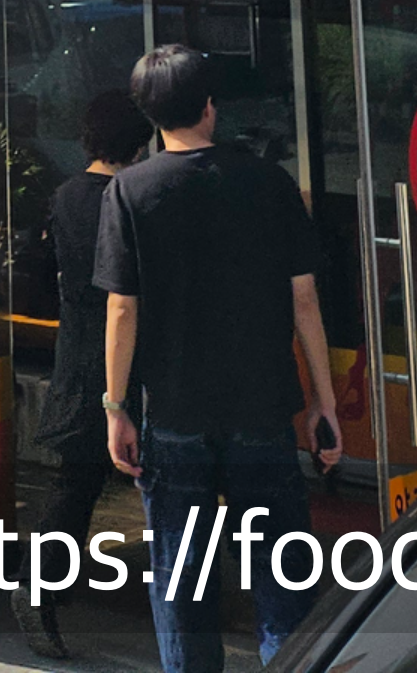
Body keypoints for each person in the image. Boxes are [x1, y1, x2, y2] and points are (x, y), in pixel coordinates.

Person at [96, 45, 340, 673]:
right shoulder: (267, 180)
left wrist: (115, 407)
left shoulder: (129, 191)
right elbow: (304, 301)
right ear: (210, 107)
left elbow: (123, 310)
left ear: (151, 115)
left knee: (181, 579)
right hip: (262, 406)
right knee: (283, 575)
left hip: (173, 410)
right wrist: (324, 403)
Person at [13, 89, 153, 660]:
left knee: (75, 486)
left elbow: (42, 271)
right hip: (132, 358)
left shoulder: (67, 196)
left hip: (78, 358)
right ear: (138, 140)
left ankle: (40, 591)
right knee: (150, 482)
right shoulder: (134, 197)